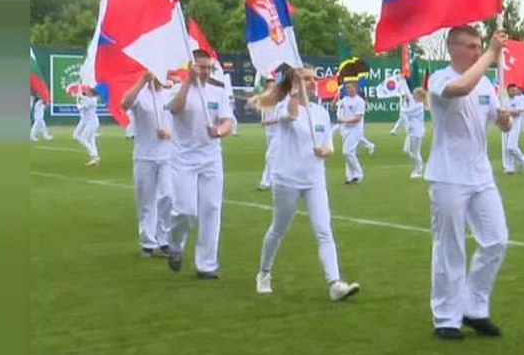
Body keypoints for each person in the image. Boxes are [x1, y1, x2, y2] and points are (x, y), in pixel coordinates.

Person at [425, 26, 513, 340]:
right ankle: (446, 317)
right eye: (471, 46)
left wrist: (504, 121)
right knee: (450, 247)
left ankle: (474, 308)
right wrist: (492, 52)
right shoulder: (441, 79)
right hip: (448, 175)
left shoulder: (486, 82)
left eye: (479, 45)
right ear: (453, 48)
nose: (477, 51)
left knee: (497, 239)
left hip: (480, 174)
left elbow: (498, 122)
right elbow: (461, 88)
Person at [252, 66, 360, 301]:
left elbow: (330, 146)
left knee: (323, 230)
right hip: (287, 179)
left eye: (314, 79)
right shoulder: (284, 106)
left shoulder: (320, 113)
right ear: (295, 82)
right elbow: (290, 116)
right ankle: (264, 273)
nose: (312, 82)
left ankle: (335, 283)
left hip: (314, 179)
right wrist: (293, 92)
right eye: (307, 79)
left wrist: (325, 151)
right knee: (278, 228)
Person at [165, 49, 235, 278]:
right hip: (184, 158)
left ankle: (206, 264)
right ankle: (174, 245)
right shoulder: (177, 89)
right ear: (192, 67)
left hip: (211, 157)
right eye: (201, 67)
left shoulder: (217, 91)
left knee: (211, 209)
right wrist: (187, 82)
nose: (205, 72)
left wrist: (219, 131)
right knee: (186, 211)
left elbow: (227, 121)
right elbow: (175, 109)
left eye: (208, 68)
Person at [121, 71, 174, 259]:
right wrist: (142, 80)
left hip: (168, 155)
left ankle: (164, 238)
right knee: (146, 200)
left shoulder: (171, 93)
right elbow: (125, 104)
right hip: (144, 155)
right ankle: (148, 242)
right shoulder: (141, 95)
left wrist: (168, 134)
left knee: (168, 196)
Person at [336, 81, 371, 185]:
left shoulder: (359, 101)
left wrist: (344, 121)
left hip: (355, 130)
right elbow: (335, 107)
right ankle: (350, 177)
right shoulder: (345, 99)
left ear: (355, 88)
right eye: (346, 88)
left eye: (350, 87)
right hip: (346, 129)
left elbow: (358, 118)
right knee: (349, 153)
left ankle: (358, 174)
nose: (347, 89)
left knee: (347, 151)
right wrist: (335, 98)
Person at [501, 84, 524, 175]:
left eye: (515, 90)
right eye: (512, 90)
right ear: (508, 91)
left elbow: (518, 112)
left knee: (511, 146)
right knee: (506, 148)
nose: (514, 92)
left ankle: (523, 159)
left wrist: (508, 111)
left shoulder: (519, 100)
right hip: (506, 125)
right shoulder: (505, 100)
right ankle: (509, 168)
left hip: (515, 126)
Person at [400, 87, 428, 179]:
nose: (413, 95)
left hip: (417, 131)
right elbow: (407, 92)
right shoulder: (415, 104)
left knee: (415, 152)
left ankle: (419, 170)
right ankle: (418, 166)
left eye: (414, 94)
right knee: (406, 150)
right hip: (411, 131)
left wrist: (401, 103)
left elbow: (406, 111)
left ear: (418, 96)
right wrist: (402, 79)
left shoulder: (419, 105)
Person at [74, 86, 101, 166]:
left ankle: (94, 156)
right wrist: (79, 95)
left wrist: (78, 103)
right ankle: (95, 157)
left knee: (84, 139)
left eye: (89, 91)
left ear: (92, 93)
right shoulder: (89, 99)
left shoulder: (91, 101)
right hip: (87, 121)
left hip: (92, 122)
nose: (87, 92)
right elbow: (82, 96)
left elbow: (80, 107)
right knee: (83, 137)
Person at [258, 100, 280, 191]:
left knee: (270, 156)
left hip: (279, 132)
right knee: (275, 157)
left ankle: (266, 182)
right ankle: (276, 178)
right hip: (268, 132)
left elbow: (281, 117)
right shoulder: (266, 102)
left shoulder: (281, 102)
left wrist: (268, 122)